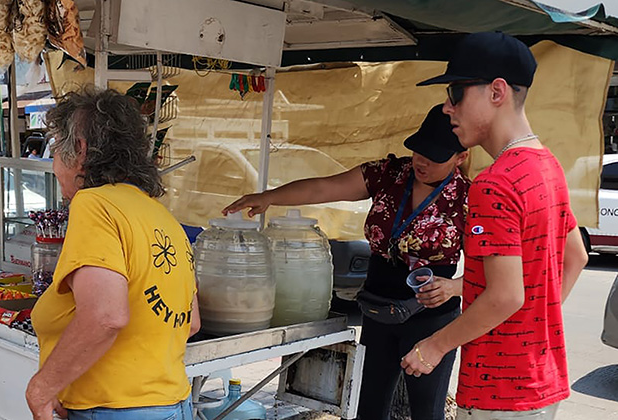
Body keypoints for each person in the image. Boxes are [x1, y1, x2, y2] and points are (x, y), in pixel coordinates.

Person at [223, 104, 470, 420]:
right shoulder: (390, 173)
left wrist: (454, 287)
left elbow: (492, 271)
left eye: (434, 157)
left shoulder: (467, 198)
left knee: (426, 412)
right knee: (367, 407)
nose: (421, 161)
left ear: (460, 157)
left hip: (430, 319)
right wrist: (270, 196)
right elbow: (325, 187)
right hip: (379, 310)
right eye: (419, 150)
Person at [400, 32, 589, 420]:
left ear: (497, 92)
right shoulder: (548, 166)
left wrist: (435, 346)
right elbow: (577, 257)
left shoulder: (494, 183)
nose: (446, 107)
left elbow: (505, 297)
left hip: (499, 393)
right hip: (541, 381)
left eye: (455, 92)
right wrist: (531, 328)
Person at [25, 88, 200, 420]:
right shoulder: (161, 216)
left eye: (55, 153)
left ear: (79, 150)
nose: (54, 166)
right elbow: (190, 322)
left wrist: (41, 389)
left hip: (114, 410)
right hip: (173, 405)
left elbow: (106, 316)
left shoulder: (94, 204)